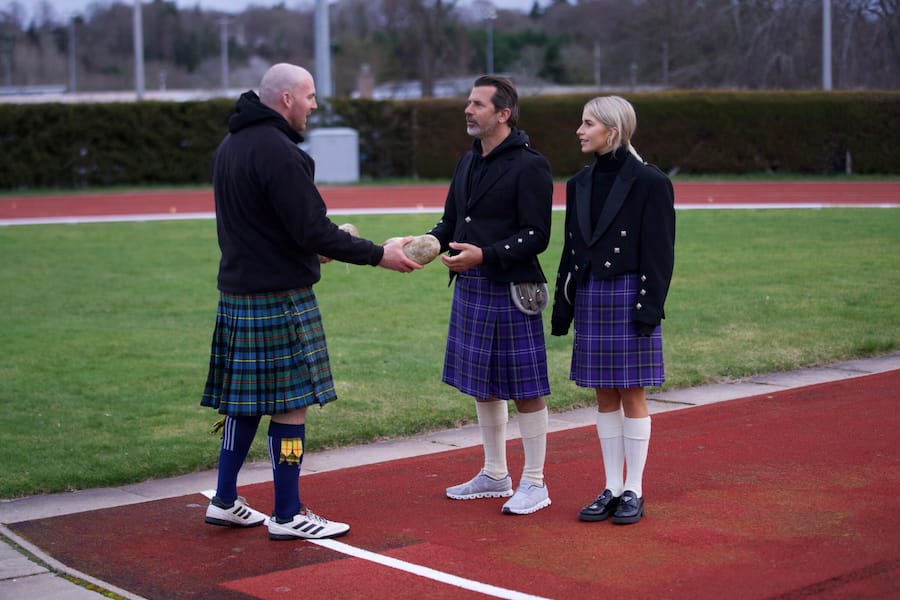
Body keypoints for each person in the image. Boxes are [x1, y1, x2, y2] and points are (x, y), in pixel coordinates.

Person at [200, 63, 421, 541]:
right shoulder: (281, 153)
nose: (315, 106)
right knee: (291, 405)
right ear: (286, 100)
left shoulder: (231, 146)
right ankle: (287, 512)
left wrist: (314, 245)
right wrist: (379, 254)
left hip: (240, 292)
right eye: (311, 97)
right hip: (280, 299)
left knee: (244, 403)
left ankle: (224, 499)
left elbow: (270, 228)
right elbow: (311, 230)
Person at [426, 75, 554, 515]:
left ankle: (535, 483)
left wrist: (485, 255)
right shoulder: (468, 162)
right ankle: (495, 473)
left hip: (510, 287)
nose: (468, 109)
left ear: (503, 113)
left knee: (524, 387)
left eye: (478, 104)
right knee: (483, 385)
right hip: (473, 286)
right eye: (468, 102)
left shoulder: (529, 165)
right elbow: (449, 224)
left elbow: (538, 235)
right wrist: (424, 244)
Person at [551, 96, 675, 525]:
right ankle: (611, 486)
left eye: (588, 124)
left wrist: (649, 309)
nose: (580, 131)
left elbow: (660, 254)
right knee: (603, 394)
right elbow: (571, 249)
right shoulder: (578, 183)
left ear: (612, 130)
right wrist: (563, 306)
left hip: (629, 293)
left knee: (632, 393)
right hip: (591, 296)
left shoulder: (649, 182)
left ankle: (634, 489)